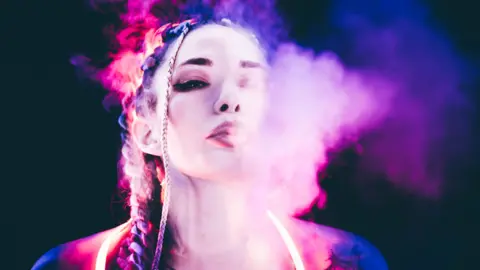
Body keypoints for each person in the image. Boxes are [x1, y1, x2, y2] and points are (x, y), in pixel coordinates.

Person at [32, 17, 388, 270]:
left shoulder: (344, 261)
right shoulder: (71, 266)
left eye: (249, 83)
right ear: (147, 132)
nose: (229, 100)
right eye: (193, 82)